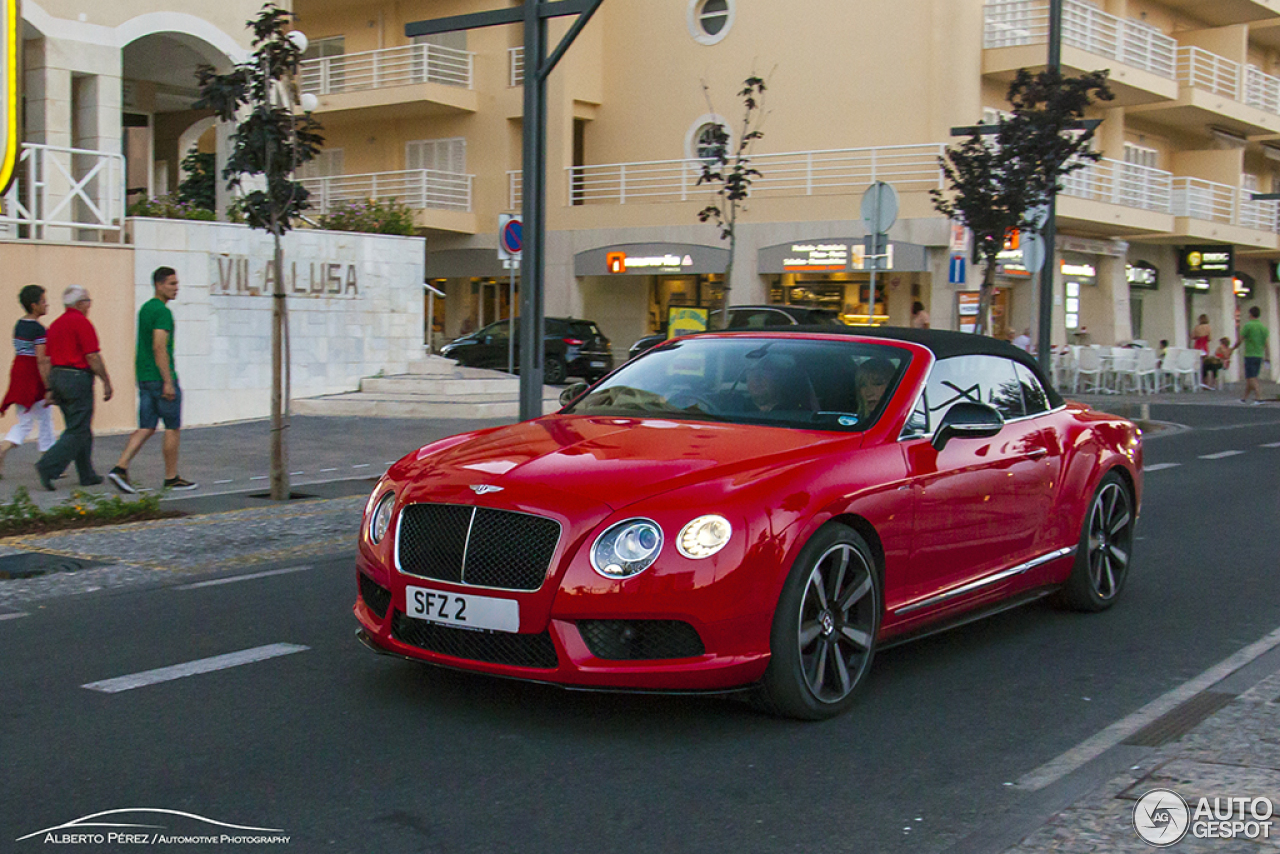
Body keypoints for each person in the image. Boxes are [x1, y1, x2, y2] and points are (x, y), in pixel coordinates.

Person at [108, 267, 197, 493]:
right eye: (171, 284)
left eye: (176, 283)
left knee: (146, 426)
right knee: (172, 427)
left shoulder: (146, 309)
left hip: (145, 377)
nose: (176, 288)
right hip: (160, 378)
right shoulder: (162, 312)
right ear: (159, 285)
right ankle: (171, 477)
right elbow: (159, 346)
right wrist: (168, 381)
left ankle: (120, 467)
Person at [34, 286, 113, 490]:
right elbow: (92, 356)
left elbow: (47, 359)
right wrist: (106, 380)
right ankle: (48, 466)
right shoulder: (82, 323)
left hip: (58, 377)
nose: (89, 305)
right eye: (88, 301)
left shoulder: (55, 325)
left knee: (79, 427)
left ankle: (86, 473)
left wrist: (49, 388)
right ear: (79, 304)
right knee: (78, 429)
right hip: (77, 379)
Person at [0, 285, 55, 477]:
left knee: (34, 418)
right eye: (42, 301)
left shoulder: (19, 324)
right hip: (33, 377)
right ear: (34, 305)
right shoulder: (38, 329)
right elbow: (41, 359)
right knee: (39, 419)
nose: (46, 304)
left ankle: (48, 458)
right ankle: (48, 461)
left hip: (19, 373)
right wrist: (48, 386)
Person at [744, 355, 810, 412]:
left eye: (763, 374)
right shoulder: (737, 409)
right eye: (750, 374)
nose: (756, 379)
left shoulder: (795, 412)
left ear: (777, 379)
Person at [1233, 306, 1270, 405]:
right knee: (1250, 377)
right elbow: (1266, 343)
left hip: (1250, 354)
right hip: (1259, 355)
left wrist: (1233, 348)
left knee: (1252, 377)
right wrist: (1267, 355)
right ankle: (1244, 398)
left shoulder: (1248, 326)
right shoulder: (1263, 327)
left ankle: (1259, 397)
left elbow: (1240, 339)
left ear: (1250, 314)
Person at [1191, 313, 1213, 388]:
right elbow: (1209, 338)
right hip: (1204, 346)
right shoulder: (1208, 327)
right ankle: (1205, 382)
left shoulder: (1197, 327)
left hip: (1197, 345)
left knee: (1197, 365)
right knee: (1205, 365)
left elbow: (1193, 336)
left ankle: (1197, 381)